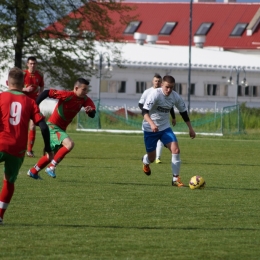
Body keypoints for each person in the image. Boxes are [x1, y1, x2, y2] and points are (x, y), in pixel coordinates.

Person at [0, 67, 53, 224]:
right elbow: (43, 126)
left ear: (6, 82)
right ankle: (0, 216)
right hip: (18, 149)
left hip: (1, 142)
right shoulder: (30, 102)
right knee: (8, 182)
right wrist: (48, 149)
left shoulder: (1, 97)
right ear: (23, 83)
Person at [27, 78, 96, 179]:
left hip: (61, 129)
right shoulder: (67, 95)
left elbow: (93, 114)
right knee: (70, 144)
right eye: (84, 89)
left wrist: (90, 111)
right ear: (76, 88)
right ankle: (51, 167)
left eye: (87, 90)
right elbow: (47, 92)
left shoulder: (85, 99)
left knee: (50, 155)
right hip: (53, 126)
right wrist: (35, 105)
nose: (86, 92)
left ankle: (33, 171)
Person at [141, 75, 196, 187]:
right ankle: (145, 161)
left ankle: (175, 179)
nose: (169, 90)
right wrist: (152, 124)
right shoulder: (155, 94)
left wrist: (190, 128)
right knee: (152, 158)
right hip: (149, 129)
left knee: (175, 150)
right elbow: (144, 112)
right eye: (167, 87)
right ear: (162, 85)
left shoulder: (175, 96)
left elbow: (183, 112)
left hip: (165, 128)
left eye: (171, 87)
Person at [138, 73, 176, 164]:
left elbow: (169, 106)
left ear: (161, 83)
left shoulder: (165, 93)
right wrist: (147, 114)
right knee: (151, 154)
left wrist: (173, 117)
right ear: (153, 81)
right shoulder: (148, 92)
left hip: (163, 124)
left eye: (159, 81)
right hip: (150, 123)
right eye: (156, 81)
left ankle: (158, 158)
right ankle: (150, 158)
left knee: (162, 141)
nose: (157, 82)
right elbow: (141, 104)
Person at [23, 56, 45, 157]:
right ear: (27, 64)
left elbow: (42, 86)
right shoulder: (23, 74)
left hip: (35, 103)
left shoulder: (40, 75)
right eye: (31, 63)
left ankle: (29, 150)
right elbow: (15, 86)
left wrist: (39, 95)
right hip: (23, 102)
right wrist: (25, 90)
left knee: (32, 125)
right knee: (22, 126)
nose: (33, 65)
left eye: (34, 63)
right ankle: (19, 148)